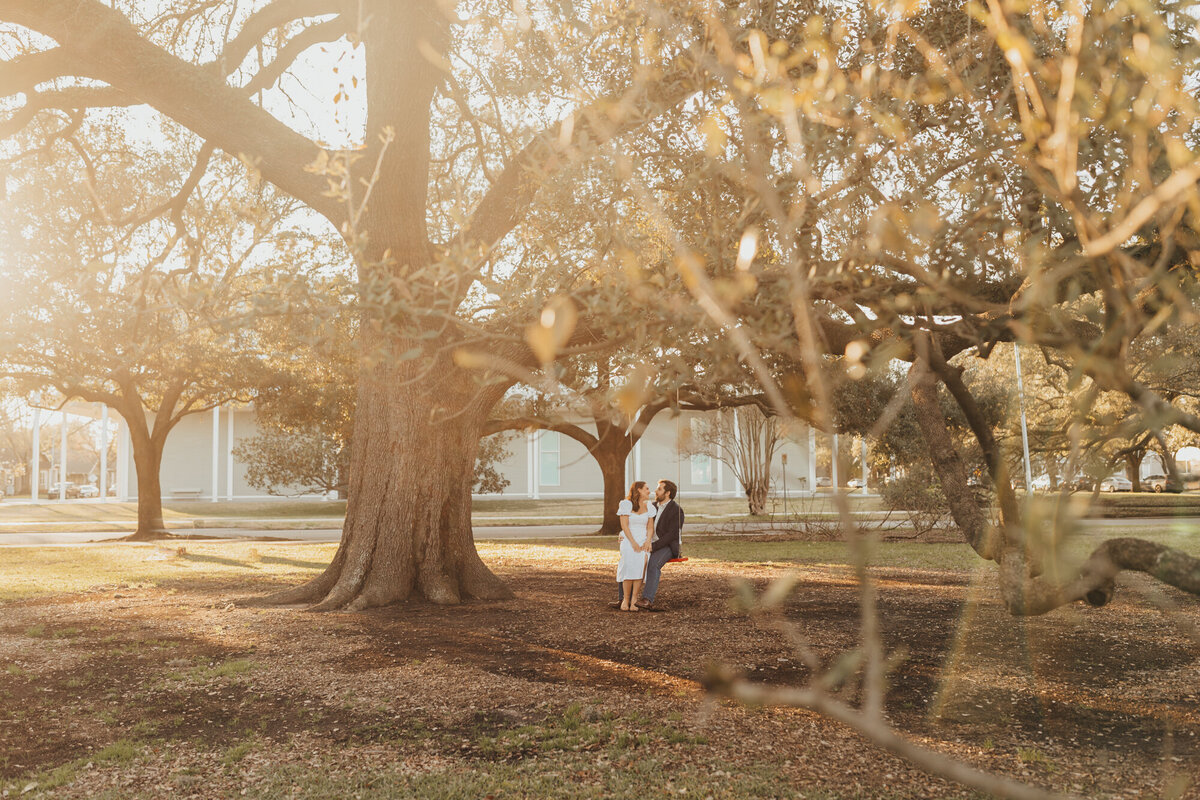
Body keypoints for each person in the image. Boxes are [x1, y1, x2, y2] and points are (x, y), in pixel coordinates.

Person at [638, 479, 683, 610]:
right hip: (649, 543)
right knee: (630, 558)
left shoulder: (676, 510)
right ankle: (624, 598)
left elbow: (672, 535)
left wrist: (654, 546)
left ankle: (647, 599)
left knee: (653, 564)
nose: (655, 491)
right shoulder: (652, 506)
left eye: (659, 489)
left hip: (667, 546)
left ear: (667, 493)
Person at [616, 480, 656, 612]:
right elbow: (624, 525)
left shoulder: (649, 506)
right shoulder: (626, 504)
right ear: (639, 489)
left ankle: (634, 599)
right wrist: (633, 542)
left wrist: (648, 541)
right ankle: (625, 599)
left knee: (640, 565)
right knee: (629, 565)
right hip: (629, 538)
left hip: (643, 539)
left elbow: (650, 527)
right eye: (647, 488)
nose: (649, 491)